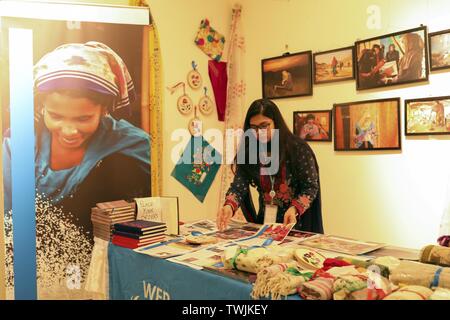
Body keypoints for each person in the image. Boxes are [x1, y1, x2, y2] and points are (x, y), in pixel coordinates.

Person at [3, 41, 151, 242]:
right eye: (56, 116)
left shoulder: (128, 141)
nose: (69, 130)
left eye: (83, 118)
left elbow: (172, 168)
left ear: (104, 110)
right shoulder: (18, 145)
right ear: (42, 106)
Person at [216, 99, 323, 233]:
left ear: (276, 123)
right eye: (253, 127)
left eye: (264, 126)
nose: (258, 132)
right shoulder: (250, 149)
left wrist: (294, 208)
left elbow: (310, 186)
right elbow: (239, 186)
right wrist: (229, 206)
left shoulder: (297, 148)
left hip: (296, 224)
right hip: (265, 226)